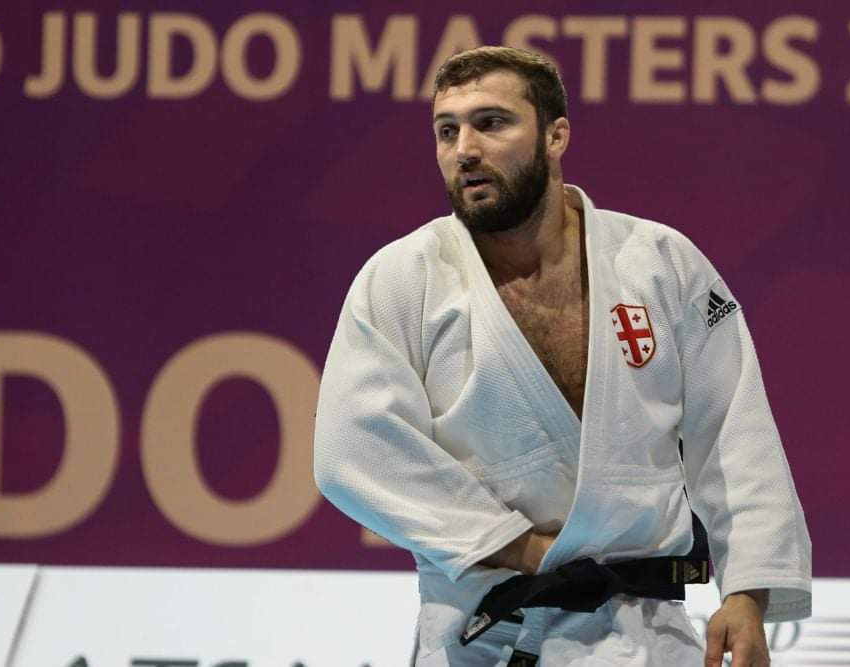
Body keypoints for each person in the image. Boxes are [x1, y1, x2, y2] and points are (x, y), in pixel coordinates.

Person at [313, 46, 811, 667]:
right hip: (484, 632)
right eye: (447, 131)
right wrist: (516, 546)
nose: (464, 149)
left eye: (491, 123)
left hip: (645, 635)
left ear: (555, 136)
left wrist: (747, 592)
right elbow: (351, 450)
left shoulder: (659, 261)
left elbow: (734, 429)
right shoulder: (402, 278)